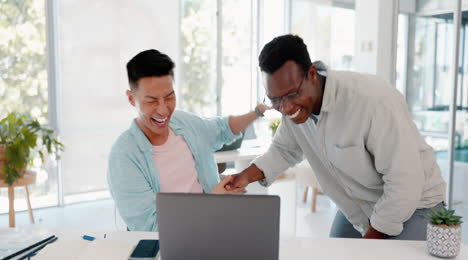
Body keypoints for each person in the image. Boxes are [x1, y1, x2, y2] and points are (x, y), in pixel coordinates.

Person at [227, 34, 446, 240]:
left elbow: (405, 182)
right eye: (276, 100)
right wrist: (244, 176)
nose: (286, 108)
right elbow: (284, 150)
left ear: (312, 74)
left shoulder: (372, 101)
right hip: (358, 205)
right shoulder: (292, 109)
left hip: (415, 203)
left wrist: (370, 243)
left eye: (292, 95)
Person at [107, 49, 269, 232]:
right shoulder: (124, 157)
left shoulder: (184, 123)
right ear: (131, 98)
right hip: (172, 243)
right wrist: (212, 200)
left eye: (169, 97)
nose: (163, 110)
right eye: (152, 101)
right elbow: (150, 228)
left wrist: (257, 112)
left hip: (215, 226)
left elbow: (223, 128)